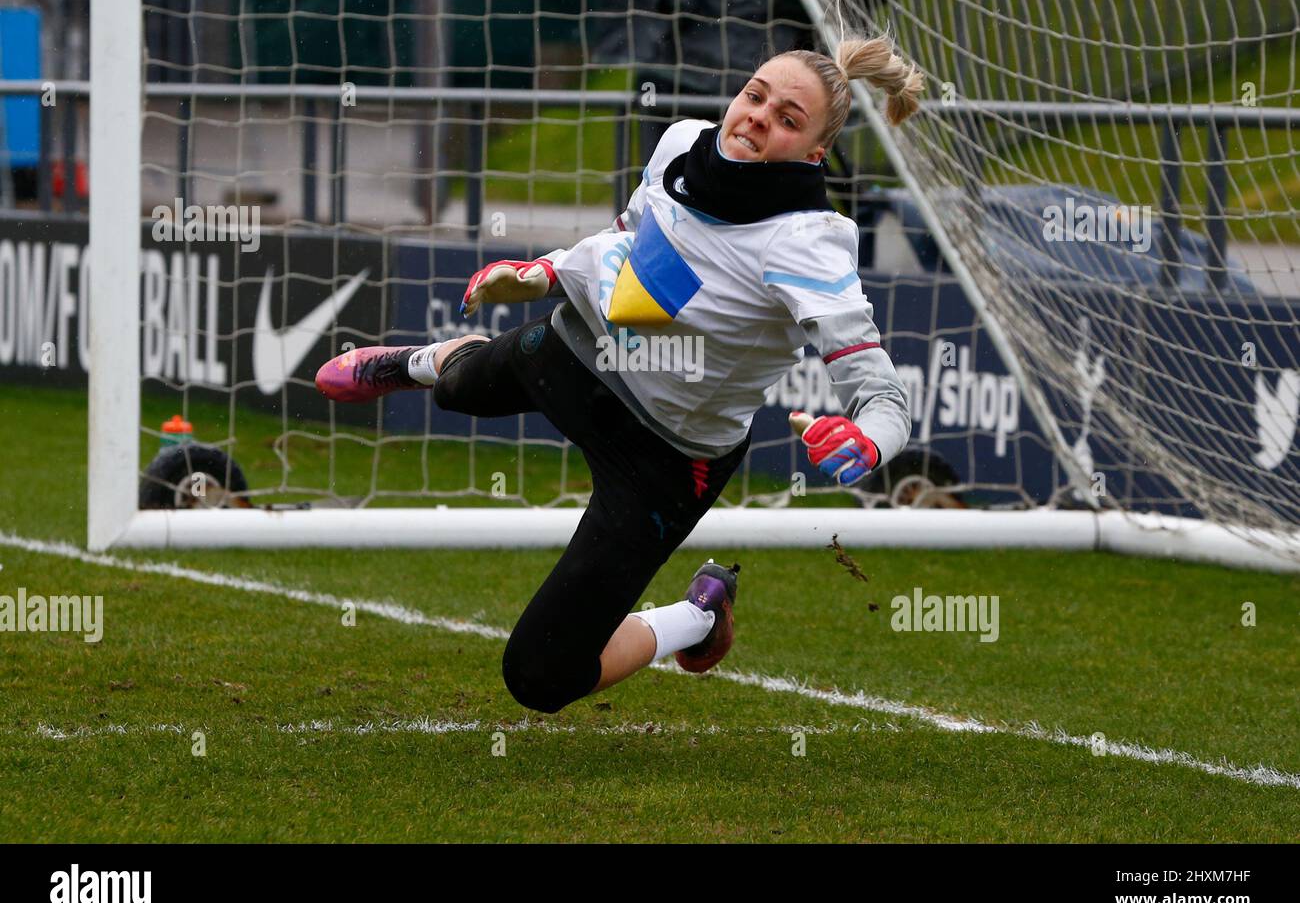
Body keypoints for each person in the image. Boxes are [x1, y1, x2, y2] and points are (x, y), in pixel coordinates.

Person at [315, 36, 922, 714]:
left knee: (541, 675)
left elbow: (883, 395)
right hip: (586, 355)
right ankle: (417, 363)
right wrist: (543, 271)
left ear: (814, 153)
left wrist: (868, 440)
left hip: (667, 456)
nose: (756, 117)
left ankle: (699, 613)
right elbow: (627, 240)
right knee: (459, 390)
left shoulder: (810, 243)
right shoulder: (681, 143)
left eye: (787, 118)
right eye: (754, 96)